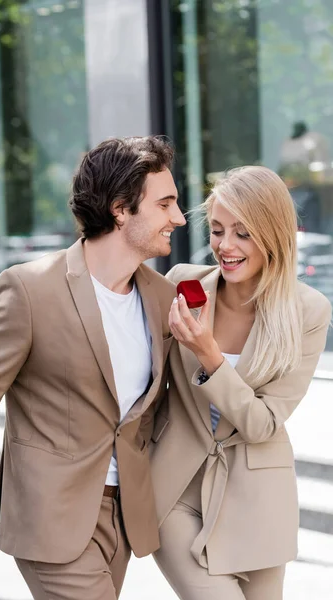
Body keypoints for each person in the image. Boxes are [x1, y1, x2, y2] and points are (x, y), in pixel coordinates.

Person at [0, 136, 186, 600]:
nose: (179, 218)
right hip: (51, 516)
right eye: (165, 203)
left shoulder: (161, 297)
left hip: (122, 518)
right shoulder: (28, 291)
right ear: (120, 209)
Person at [150, 165, 332, 600]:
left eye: (243, 233)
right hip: (176, 491)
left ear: (273, 235)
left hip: (259, 505)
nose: (225, 246)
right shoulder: (181, 285)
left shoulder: (308, 312)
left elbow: (262, 423)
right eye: (217, 230)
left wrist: (210, 355)